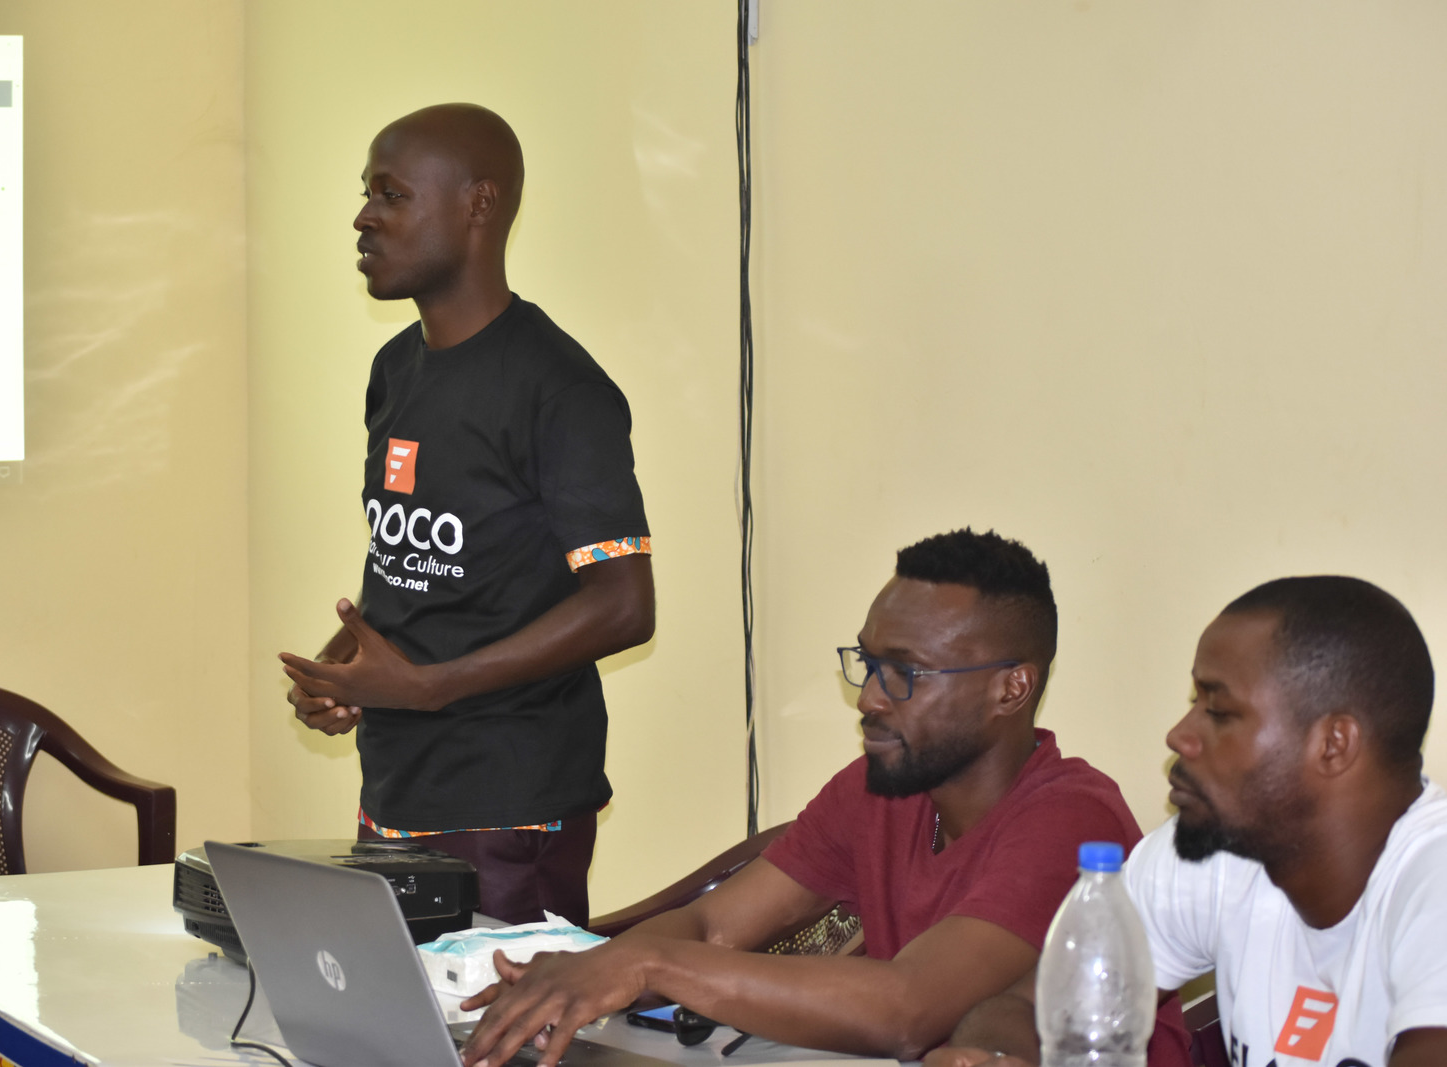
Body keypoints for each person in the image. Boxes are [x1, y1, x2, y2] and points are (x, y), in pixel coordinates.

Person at [458, 529, 1189, 1067]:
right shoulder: (882, 785)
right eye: (868, 662)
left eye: (905, 672)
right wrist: (586, 974)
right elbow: (715, 923)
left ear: (1012, 688)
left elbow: (908, 1009)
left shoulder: (1070, 821)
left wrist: (648, 965)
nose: (869, 697)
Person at [279, 103, 654, 928]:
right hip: (396, 784)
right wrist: (349, 668)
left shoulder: (559, 387)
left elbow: (624, 604)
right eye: (365, 193)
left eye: (391, 194)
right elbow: (423, 563)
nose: (364, 217)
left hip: (508, 802)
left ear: (478, 204)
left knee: (500, 1015)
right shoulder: (395, 369)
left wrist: (429, 687)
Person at [930, 576, 1447, 1067]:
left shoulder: (1433, 879)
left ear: (1333, 744)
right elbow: (1023, 1009)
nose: (1179, 735)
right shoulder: (1215, 854)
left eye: (1218, 711)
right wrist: (995, 1057)